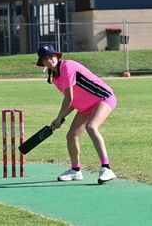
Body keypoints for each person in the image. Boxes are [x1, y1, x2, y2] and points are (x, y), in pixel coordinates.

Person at [36, 45, 117, 184]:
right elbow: (73, 102)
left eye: (51, 56)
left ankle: (106, 168)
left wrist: (59, 117)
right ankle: (76, 170)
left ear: (56, 56)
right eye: (45, 58)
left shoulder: (67, 67)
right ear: (42, 62)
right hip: (86, 106)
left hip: (103, 98)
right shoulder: (55, 79)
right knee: (71, 136)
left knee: (91, 127)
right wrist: (60, 118)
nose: (49, 60)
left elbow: (69, 98)